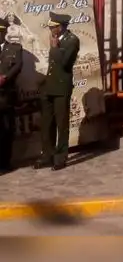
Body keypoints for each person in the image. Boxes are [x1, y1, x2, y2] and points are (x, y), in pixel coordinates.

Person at [35, 13, 79, 171]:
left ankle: (60, 157)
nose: (50, 29)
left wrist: (54, 48)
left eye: (52, 27)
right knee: (47, 123)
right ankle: (47, 155)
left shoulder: (72, 40)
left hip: (61, 87)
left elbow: (65, 63)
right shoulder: (58, 40)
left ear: (60, 27)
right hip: (49, 87)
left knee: (61, 123)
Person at [0, 18, 24, 173]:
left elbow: (18, 65)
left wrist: (5, 78)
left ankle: (4, 163)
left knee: (5, 131)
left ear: (3, 32)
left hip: (5, 96)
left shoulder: (15, 48)